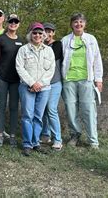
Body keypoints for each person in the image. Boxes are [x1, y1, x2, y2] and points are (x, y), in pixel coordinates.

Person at [61, 13, 103, 149]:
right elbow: (61, 60)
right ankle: (75, 135)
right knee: (71, 108)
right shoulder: (65, 40)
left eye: (81, 22)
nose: (78, 24)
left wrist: (98, 79)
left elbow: (97, 60)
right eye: (75, 22)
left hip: (86, 79)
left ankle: (93, 140)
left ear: (85, 24)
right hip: (69, 80)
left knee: (88, 109)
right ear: (71, 24)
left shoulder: (91, 39)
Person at [16, 22, 55, 156]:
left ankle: (36, 142)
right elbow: (20, 68)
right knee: (27, 115)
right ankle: (27, 143)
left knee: (38, 116)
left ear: (43, 35)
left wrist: (40, 84)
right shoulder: (23, 50)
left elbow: (51, 70)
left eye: (40, 33)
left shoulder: (48, 50)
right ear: (30, 35)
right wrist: (32, 83)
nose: (37, 35)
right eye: (34, 33)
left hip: (44, 88)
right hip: (27, 87)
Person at [0, 14, 24, 147]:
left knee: (13, 107)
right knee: (0, 106)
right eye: (11, 21)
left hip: (16, 79)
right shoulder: (0, 39)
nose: (13, 23)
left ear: (19, 24)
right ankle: (0, 134)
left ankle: (12, 135)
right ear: (7, 23)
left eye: (15, 22)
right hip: (2, 77)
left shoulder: (22, 41)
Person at [40, 22, 64, 151]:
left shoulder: (57, 45)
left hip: (54, 82)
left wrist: (42, 43)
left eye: (50, 31)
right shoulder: (38, 45)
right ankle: (45, 135)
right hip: (43, 83)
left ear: (53, 33)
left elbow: (50, 57)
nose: (47, 33)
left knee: (51, 109)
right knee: (43, 109)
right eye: (45, 31)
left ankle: (58, 139)